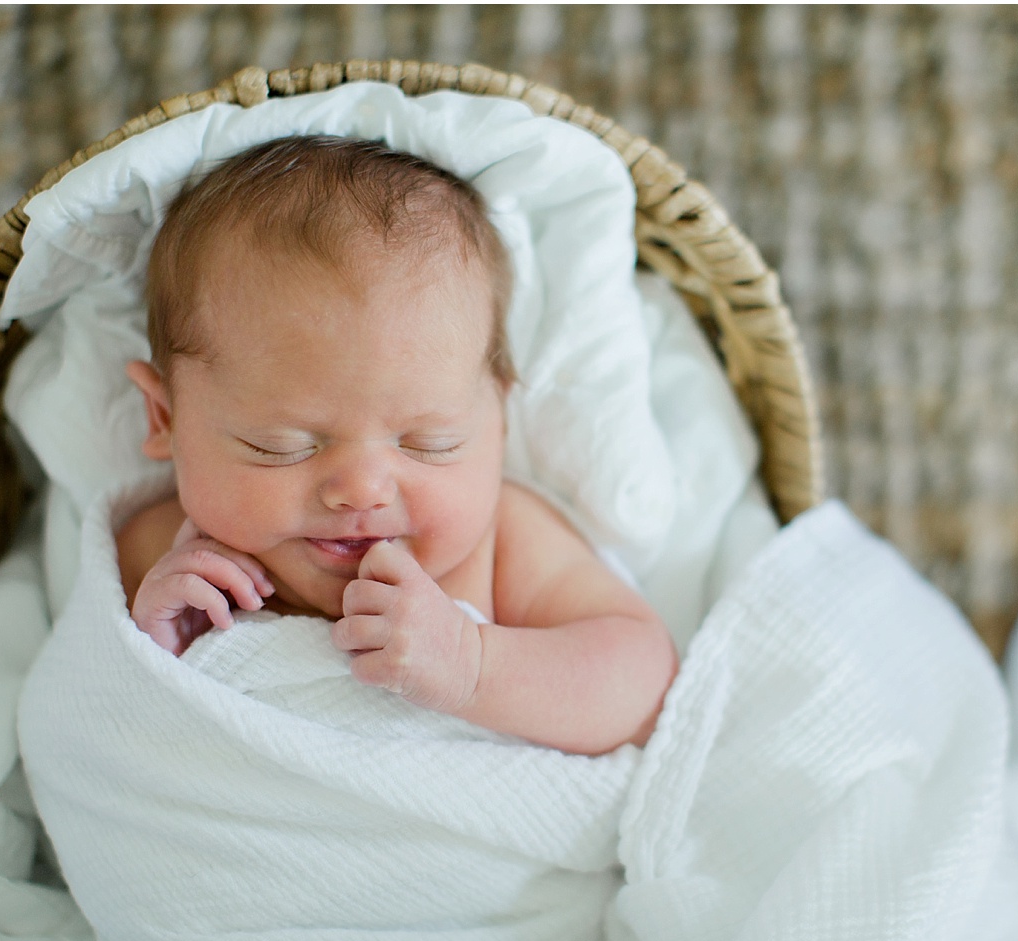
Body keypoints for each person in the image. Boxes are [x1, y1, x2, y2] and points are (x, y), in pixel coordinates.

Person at [115, 135, 677, 756]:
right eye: (280, 446)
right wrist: (151, 652)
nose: (361, 489)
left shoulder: (500, 544)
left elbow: (644, 683)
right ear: (165, 417)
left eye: (429, 444)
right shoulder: (161, 552)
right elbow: (97, 719)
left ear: (499, 423)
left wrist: (473, 667)